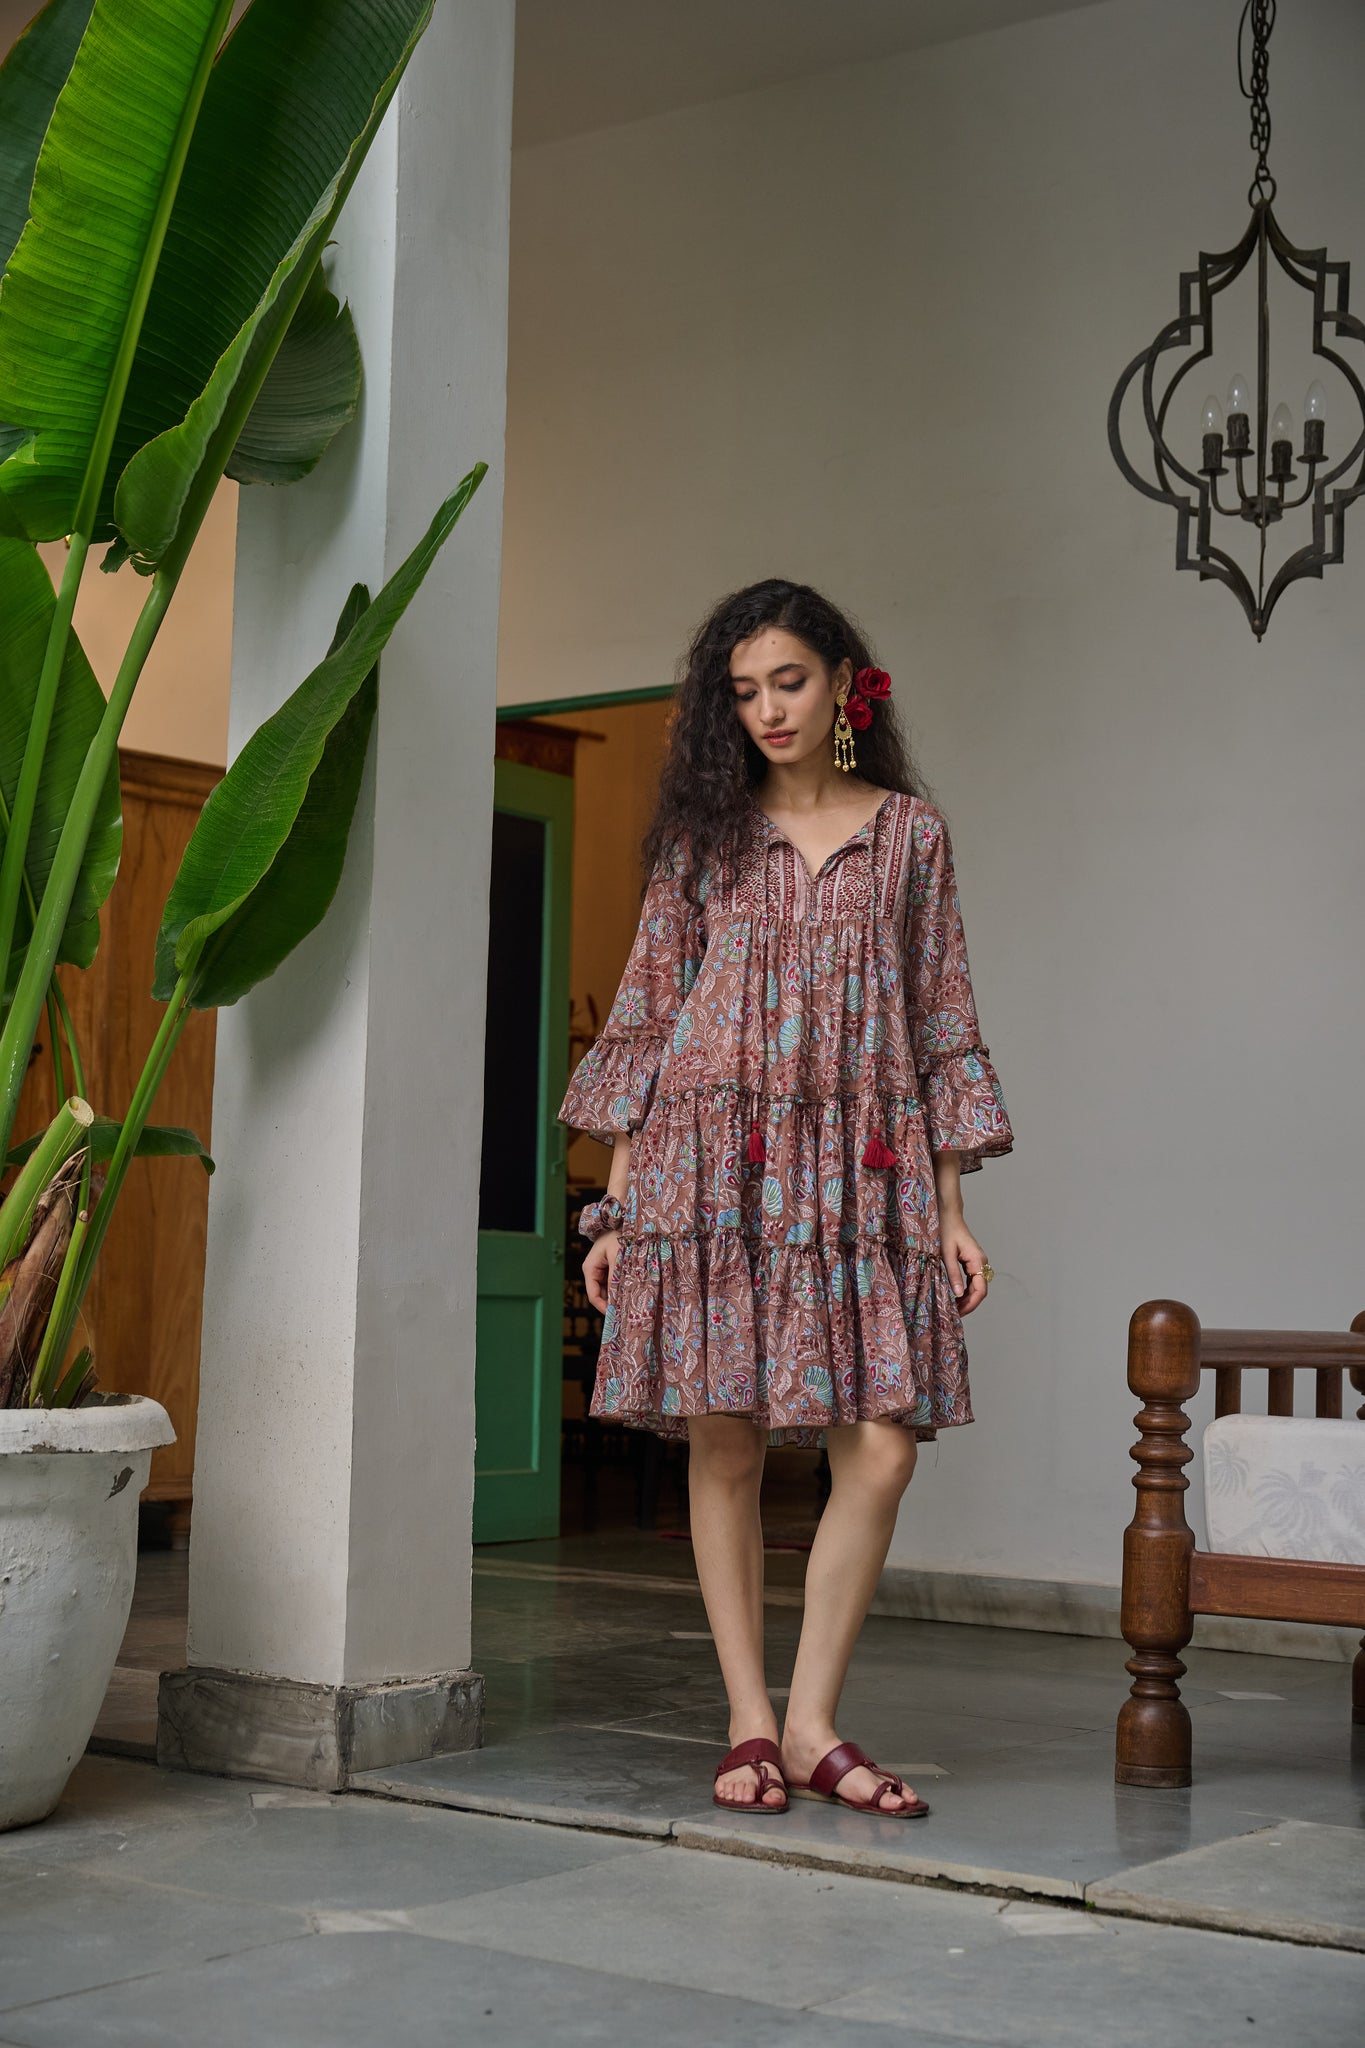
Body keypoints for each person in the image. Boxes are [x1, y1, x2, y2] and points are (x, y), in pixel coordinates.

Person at [557, 579, 1013, 1820]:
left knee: (882, 1445)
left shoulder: (911, 837)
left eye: (790, 681)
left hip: (865, 1167)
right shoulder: (701, 840)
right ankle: (750, 1717)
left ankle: (814, 1721)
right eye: (745, 690)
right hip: (710, 1162)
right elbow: (649, 1014)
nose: (767, 708)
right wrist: (617, 1208)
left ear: (845, 682)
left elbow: (941, 1018)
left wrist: (950, 1206)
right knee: (726, 1437)